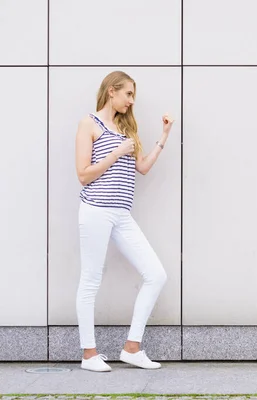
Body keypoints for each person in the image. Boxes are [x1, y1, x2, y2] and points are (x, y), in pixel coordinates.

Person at [74, 70, 175, 372]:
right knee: (90, 280)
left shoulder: (125, 129)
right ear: (111, 91)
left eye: (133, 96)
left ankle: (132, 348)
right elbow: (83, 174)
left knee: (156, 274)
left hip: (121, 214)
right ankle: (89, 354)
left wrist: (164, 136)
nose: (131, 101)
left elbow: (142, 168)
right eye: (128, 94)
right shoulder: (88, 124)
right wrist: (117, 152)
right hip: (95, 210)